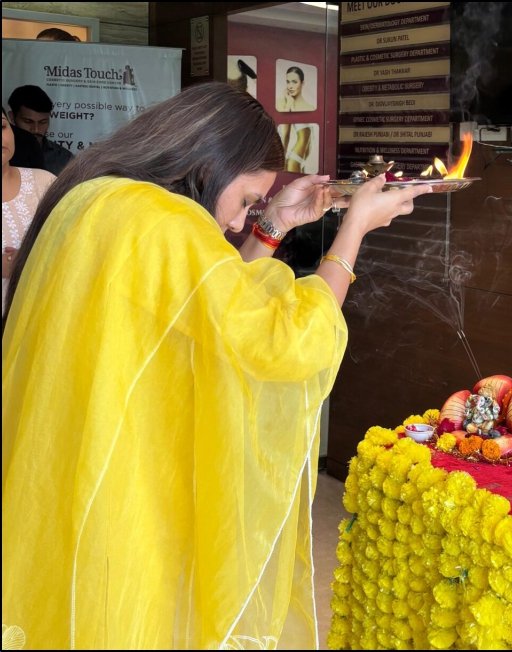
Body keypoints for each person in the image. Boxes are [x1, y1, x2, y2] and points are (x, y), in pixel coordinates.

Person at [1, 82, 431, 648]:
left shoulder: (101, 197)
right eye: (247, 199)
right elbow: (281, 343)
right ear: (211, 163)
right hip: (124, 476)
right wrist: (353, 233)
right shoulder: (163, 222)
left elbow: (212, 314)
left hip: (62, 465)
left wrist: (272, 223)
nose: (234, 223)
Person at [2, 110, 56, 312]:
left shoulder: (44, 182)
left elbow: (75, 241)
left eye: (2, 127)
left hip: (38, 314)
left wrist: (31, 258)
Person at [7, 85, 75, 175]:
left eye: (43, 122)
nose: (36, 129)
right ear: (12, 117)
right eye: (28, 121)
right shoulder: (5, 154)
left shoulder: (65, 159)